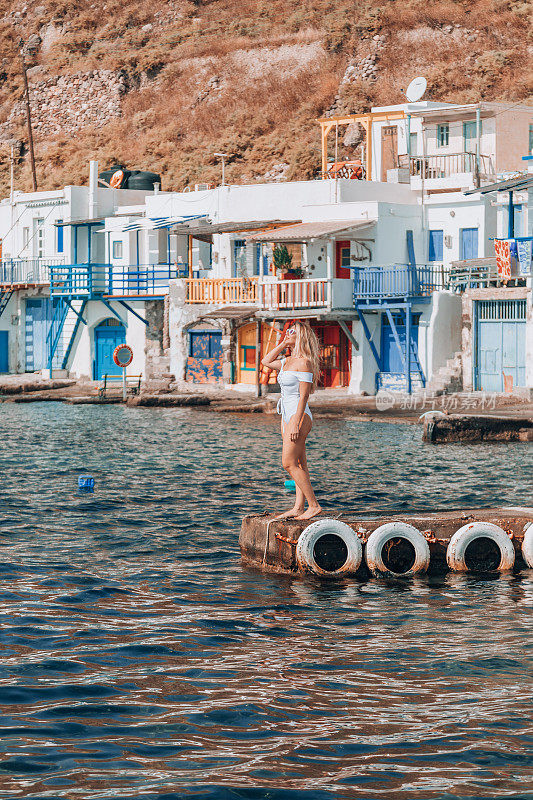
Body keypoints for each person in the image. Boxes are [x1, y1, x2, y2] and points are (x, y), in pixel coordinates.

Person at [261, 321, 322, 520]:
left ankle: (313, 506)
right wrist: (283, 345)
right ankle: (298, 507)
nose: (288, 333)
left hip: (300, 414)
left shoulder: (305, 362)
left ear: (301, 336)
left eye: (292, 331)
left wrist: (295, 423)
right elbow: (266, 361)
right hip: (286, 414)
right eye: (287, 330)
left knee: (288, 463)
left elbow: (304, 397)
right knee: (299, 463)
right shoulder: (287, 361)